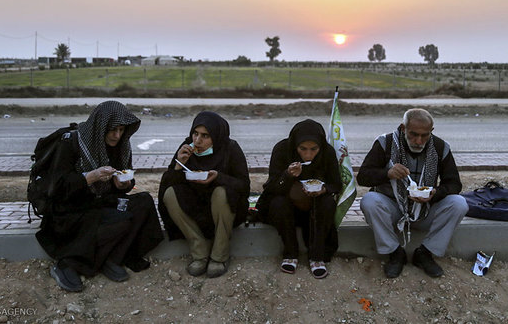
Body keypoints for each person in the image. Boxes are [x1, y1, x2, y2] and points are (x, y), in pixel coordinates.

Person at [36, 101, 163, 292]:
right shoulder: (72, 143)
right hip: (70, 209)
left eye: (121, 130)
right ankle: (68, 264)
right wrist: (91, 176)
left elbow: (119, 184)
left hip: (101, 202)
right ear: (99, 127)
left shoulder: (120, 146)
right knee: (118, 220)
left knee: (143, 203)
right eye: (112, 130)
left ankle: (112, 258)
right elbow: (58, 187)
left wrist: (123, 184)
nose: (117, 135)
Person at [357, 108, 468, 279]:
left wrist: (435, 193)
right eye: (413, 134)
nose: (418, 140)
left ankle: (425, 253)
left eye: (424, 135)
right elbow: (363, 177)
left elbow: (454, 183)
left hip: (425, 209)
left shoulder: (440, 147)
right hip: (393, 209)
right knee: (369, 201)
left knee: (459, 204)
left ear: (431, 131)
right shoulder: (385, 143)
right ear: (403, 128)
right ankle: (395, 253)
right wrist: (387, 173)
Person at [158, 111, 250, 278]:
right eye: (195, 133)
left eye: (205, 136)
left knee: (222, 192)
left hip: (223, 210)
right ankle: (199, 251)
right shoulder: (187, 147)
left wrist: (219, 177)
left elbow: (244, 185)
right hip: (195, 206)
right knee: (170, 194)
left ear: (216, 136)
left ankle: (219, 255)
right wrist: (179, 165)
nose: (197, 141)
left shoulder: (230, 148)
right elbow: (165, 185)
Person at [256, 119, 342, 279]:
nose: (308, 154)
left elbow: (336, 184)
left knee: (328, 202)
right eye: (303, 149)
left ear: (320, 146)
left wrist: (323, 189)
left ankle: (317, 256)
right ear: (295, 145)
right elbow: (271, 187)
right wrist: (287, 175)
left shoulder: (327, 153)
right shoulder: (283, 150)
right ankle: (290, 253)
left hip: (315, 207)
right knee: (278, 203)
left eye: (313, 149)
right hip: (288, 207)